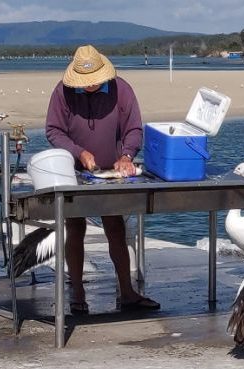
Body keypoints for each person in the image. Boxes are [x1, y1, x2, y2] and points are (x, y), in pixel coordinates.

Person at [45, 45, 159, 314]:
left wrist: (127, 156)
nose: (88, 86)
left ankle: (128, 292)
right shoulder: (62, 92)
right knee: (75, 230)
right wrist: (78, 151)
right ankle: (77, 293)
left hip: (112, 173)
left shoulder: (122, 89)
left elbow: (133, 129)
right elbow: (53, 130)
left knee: (115, 228)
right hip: (73, 172)